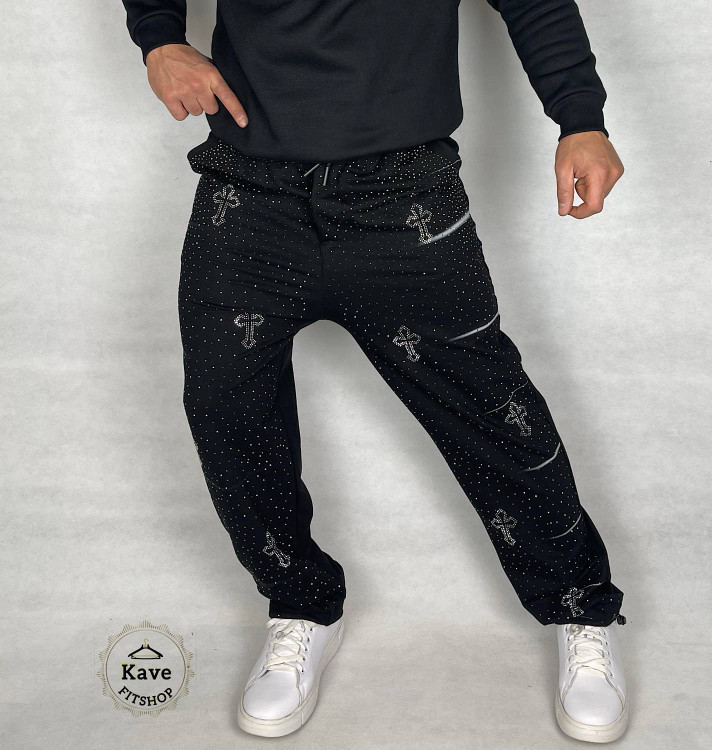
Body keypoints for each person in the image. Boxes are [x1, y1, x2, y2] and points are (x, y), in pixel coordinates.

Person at [120, 0, 628, 742]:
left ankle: (580, 607)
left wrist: (580, 117)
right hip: (247, 190)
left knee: (491, 410)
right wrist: (159, 39)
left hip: (404, 190)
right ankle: (301, 603)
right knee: (225, 409)